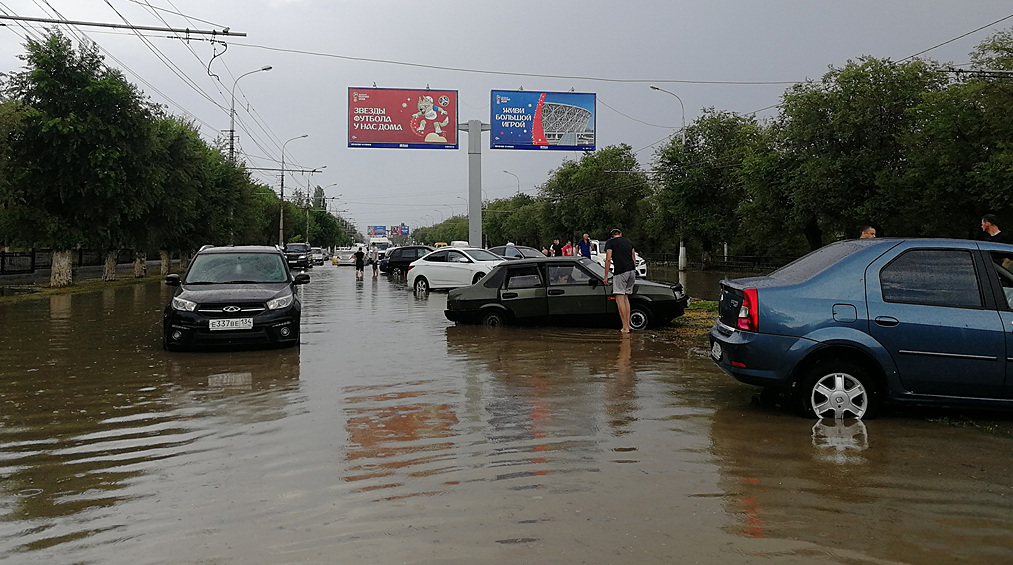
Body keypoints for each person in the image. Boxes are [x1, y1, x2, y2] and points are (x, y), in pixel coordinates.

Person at [602, 228, 637, 334]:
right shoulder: (628, 241)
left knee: (619, 299)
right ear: (620, 234)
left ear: (611, 235)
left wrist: (606, 276)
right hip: (631, 271)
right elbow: (633, 257)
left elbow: (608, 259)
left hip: (620, 272)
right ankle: (629, 325)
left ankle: (625, 327)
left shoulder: (610, 243)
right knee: (626, 298)